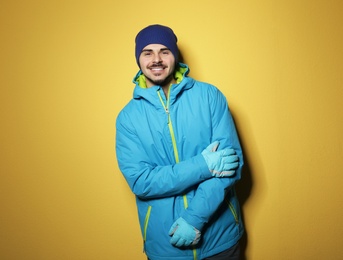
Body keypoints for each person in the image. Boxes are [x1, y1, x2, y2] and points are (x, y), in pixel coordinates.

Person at [116, 24, 244, 260]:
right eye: (148, 52)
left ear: (174, 55)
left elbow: (230, 163)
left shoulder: (209, 96)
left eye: (164, 51)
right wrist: (204, 165)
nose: (157, 59)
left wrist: (194, 219)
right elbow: (141, 181)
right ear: (139, 59)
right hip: (166, 246)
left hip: (220, 240)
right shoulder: (128, 118)